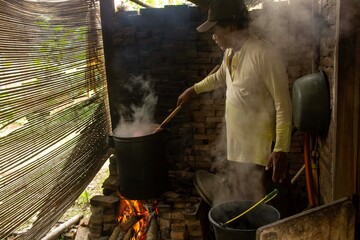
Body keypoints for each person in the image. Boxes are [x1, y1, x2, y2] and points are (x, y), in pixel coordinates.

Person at [177, 0, 294, 217]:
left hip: (262, 153)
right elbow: (221, 76)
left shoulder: (264, 53)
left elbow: (283, 103)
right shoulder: (230, 53)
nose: (213, 36)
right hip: (237, 148)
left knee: (273, 211)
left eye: (216, 30)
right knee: (247, 208)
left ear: (231, 27)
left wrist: (280, 149)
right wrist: (193, 90)